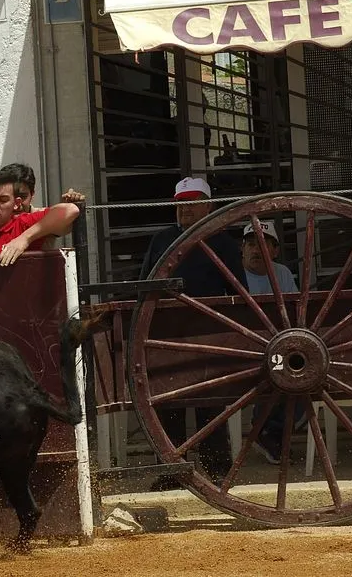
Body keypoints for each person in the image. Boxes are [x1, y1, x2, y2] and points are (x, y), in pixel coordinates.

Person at [140, 177, 247, 489]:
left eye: (193, 202)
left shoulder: (223, 242)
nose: (185, 209)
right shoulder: (162, 240)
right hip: (168, 332)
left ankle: (217, 471)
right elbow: (146, 283)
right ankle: (173, 472)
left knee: (211, 403)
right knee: (166, 402)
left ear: (208, 206)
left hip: (209, 331)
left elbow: (239, 291)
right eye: (181, 203)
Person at [240, 220, 304, 465]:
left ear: (275, 250)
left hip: (278, 345)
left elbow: (294, 313)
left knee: (304, 374)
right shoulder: (233, 273)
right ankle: (267, 431)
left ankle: (269, 432)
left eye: (263, 244)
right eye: (251, 244)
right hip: (243, 348)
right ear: (242, 248)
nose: (256, 250)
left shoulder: (282, 273)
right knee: (277, 371)